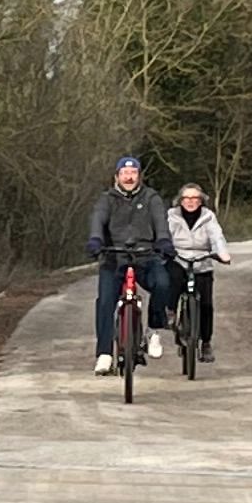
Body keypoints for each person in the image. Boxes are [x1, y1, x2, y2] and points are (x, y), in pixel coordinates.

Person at [87, 157, 172, 372]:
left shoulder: (151, 197)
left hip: (145, 254)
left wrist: (163, 240)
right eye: (124, 173)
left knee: (162, 284)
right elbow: (99, 219)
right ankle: (105, 353)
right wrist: (96, 239)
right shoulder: (107, 199)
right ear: (117, 176)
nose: (129, 177)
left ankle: (153, 330)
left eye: (133, 172)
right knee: (106, 301)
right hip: (114, 256)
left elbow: (160, 220)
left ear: (139, 176)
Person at [165, 181, 231, 369]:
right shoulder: (172, 216)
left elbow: (217, 237)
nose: (191, 201)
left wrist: (222, 253)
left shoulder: (208, 217)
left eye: (195, 198)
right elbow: (164, 236)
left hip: (202, 260)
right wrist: (165, 249)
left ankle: (206, 343)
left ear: (201, 201)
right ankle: (170, 312)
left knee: (207, 304)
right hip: (179, 258)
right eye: (187, 198)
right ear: (180, 200)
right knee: (173, 280)